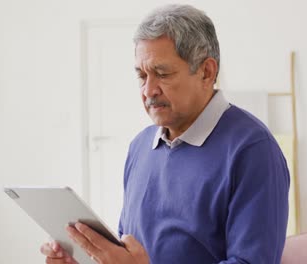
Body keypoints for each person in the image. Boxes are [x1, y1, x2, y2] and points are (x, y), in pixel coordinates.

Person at [40, 4, 289, 264]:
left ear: (207, 72)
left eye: (162, 74)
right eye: (141, 75)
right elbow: (131, 252)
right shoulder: (140, 146)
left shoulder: (253, 150)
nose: (148, 90)